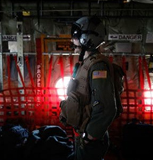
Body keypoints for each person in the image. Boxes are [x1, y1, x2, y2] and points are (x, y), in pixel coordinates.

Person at [59, 16, 118, 160]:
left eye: (75, 35)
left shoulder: (98, 67)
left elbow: (107, 108)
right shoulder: (85, 64)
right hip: (82, 134)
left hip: (90, 139)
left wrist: (89, 137)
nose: (72, 39)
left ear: (87, 38)